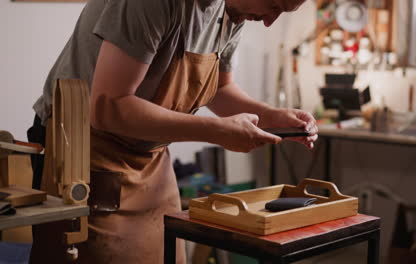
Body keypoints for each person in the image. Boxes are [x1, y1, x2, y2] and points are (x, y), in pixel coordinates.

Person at [27, 0, 318, 263]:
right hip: (84, 153)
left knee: (166, 254)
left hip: (150, 161)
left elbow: (219, 88)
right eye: (274, 6)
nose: (270, 21)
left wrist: (271, 116)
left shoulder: (233, 10)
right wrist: (216, 131)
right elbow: (108, 107)